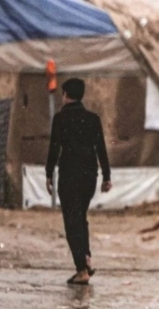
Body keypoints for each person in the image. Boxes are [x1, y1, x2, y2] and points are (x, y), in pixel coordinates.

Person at [44, 78, 112, 285]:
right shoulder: (92, 119)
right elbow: (100, 148)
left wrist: (48, 174)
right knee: (80, 217)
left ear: (65, 95)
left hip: (69, 175)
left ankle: (81, 269)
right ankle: (86, 258)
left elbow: (54, 148)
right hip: (89, 175)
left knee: (72, 222)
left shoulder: (60, 119)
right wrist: (106, 176)